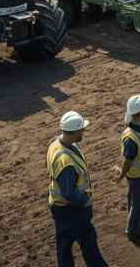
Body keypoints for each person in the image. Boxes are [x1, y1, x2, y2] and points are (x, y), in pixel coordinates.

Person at [47, 111, 108, 267]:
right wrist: (85, 200)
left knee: (64, 245)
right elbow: (68, 192)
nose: (84, 132)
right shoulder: (65, 161)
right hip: (71, 211)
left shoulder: (56, 144)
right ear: (74, 133)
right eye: (82, 129)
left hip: (58, 207)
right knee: (89, 243)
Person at [114, 94, 140, 245]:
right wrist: (121, 175)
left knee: (135, 199)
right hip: (137, 175)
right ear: (138, 115)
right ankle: (133, 231)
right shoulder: (131, 138)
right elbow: (127, 161)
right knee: (138, 204)